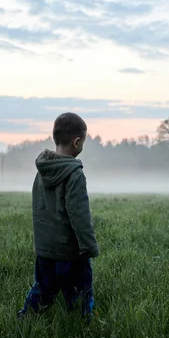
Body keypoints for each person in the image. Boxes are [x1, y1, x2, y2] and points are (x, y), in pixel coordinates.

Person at [17, 112, 99, 320]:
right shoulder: (74, 174)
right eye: (84, 142)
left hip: (44, 250)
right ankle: (82, 322)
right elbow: (79, 215)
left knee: (43, 288)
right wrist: (88, 246)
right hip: (70, 252)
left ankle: (27, 318)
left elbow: (39, 209)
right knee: (80, 290)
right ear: (76, 141)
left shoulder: (42, 171)